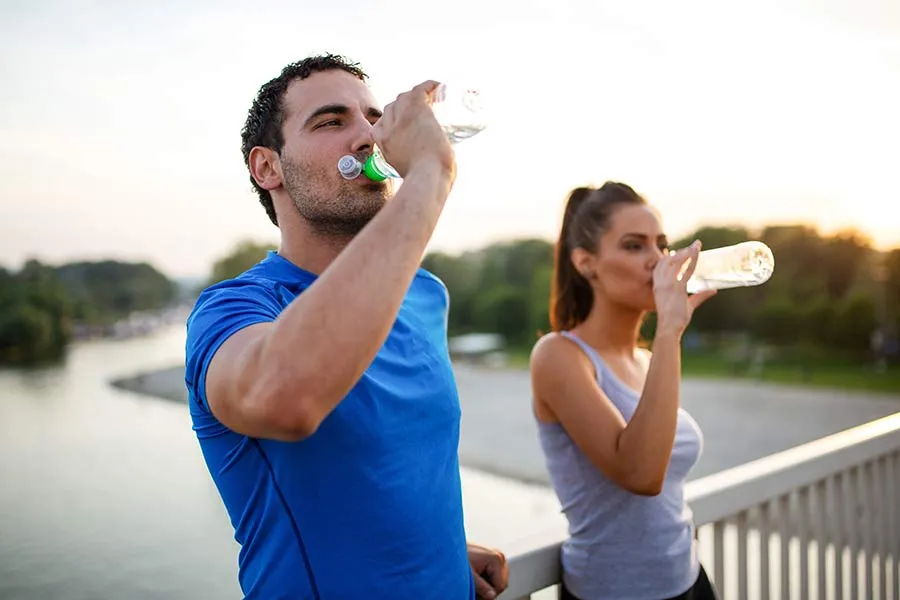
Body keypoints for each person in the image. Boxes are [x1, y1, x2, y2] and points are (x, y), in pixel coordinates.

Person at [184, 53, 508, 600]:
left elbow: (386, 473)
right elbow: (284, 397)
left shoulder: (424, 294)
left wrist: (442, 549)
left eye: (372, 118)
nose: (368, 138)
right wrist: (430, 173)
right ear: (267, 168)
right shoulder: (233, 309)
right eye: (331, 122)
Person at [529, 182, 719, 600]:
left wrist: (667, 338)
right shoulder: (559, 356)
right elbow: (641, 474)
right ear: (586, 263)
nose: (658, 260)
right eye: (634, 246)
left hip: (688, 579)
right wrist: (670, 329)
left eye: (662, 245)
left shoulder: (647, 361)